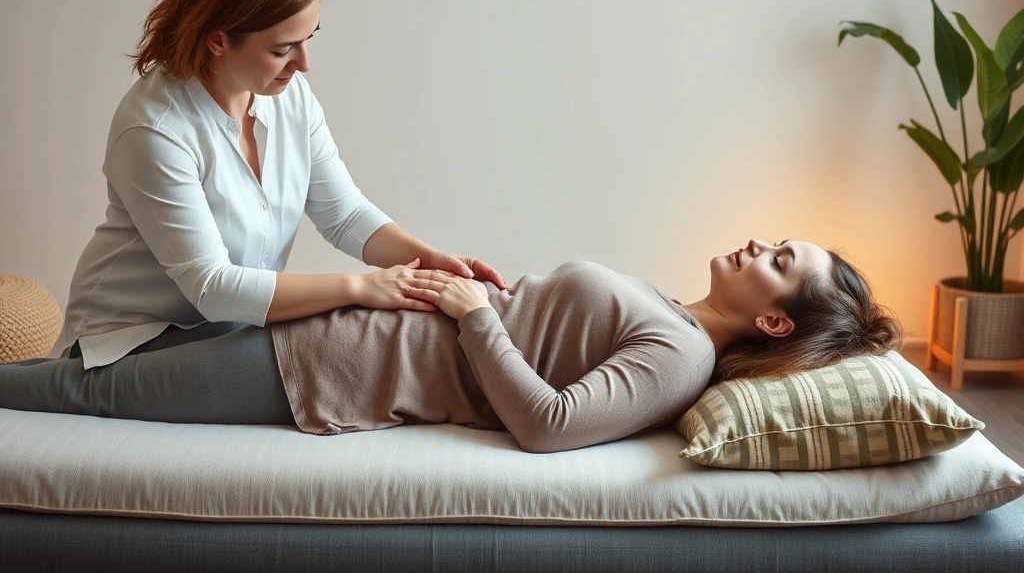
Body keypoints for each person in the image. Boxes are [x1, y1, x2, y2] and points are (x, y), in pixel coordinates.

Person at [1, 240, 901, 453]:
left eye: (780, 262)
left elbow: (548, 425)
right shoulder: (668, 309)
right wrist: (474, 290)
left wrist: (476, 314)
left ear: (774, 322)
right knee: (98, 364)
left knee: (92, 391)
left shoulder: (681, 357)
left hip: (330, 369)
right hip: (345, 319)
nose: (760, 244)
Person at [53, 0, 505, 370]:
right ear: (217, 41)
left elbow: (343, 214)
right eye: (283, 49)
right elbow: (212, 287)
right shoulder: (155, 129)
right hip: (125, 342)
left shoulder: (288, 96)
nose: (304, 63)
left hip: (222, 331)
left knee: (368, 335)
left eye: (309, 39)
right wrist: (362, 288)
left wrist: (426, 260)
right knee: (344, 343)